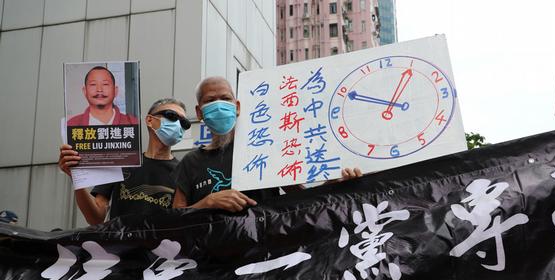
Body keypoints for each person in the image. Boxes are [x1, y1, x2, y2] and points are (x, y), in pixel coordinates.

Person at [173, 76, 362, 212]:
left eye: (225, 98)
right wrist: (207, 202)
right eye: (210, 100)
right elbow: (173, 219)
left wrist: (333, 184)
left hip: (264, 256)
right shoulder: (190, 163)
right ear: (199, 113)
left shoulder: (263, 149)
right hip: (211, 262)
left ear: (237, 107)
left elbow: (303, 199)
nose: (219, 105)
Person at [59, 98, 191, 225]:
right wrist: (77, 178)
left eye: (184, 123)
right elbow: (96, 219)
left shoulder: (183, 173)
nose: (177, 125)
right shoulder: (121, 162)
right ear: (150, 120)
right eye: (171, 116)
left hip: (160, 247)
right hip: (119, 247)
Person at [67, 66, 139, 126]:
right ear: (85, 91)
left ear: (115, 91)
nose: (99, 90)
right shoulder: (72, 124)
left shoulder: (132, 123)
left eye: (105, 84)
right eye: (93, 84)